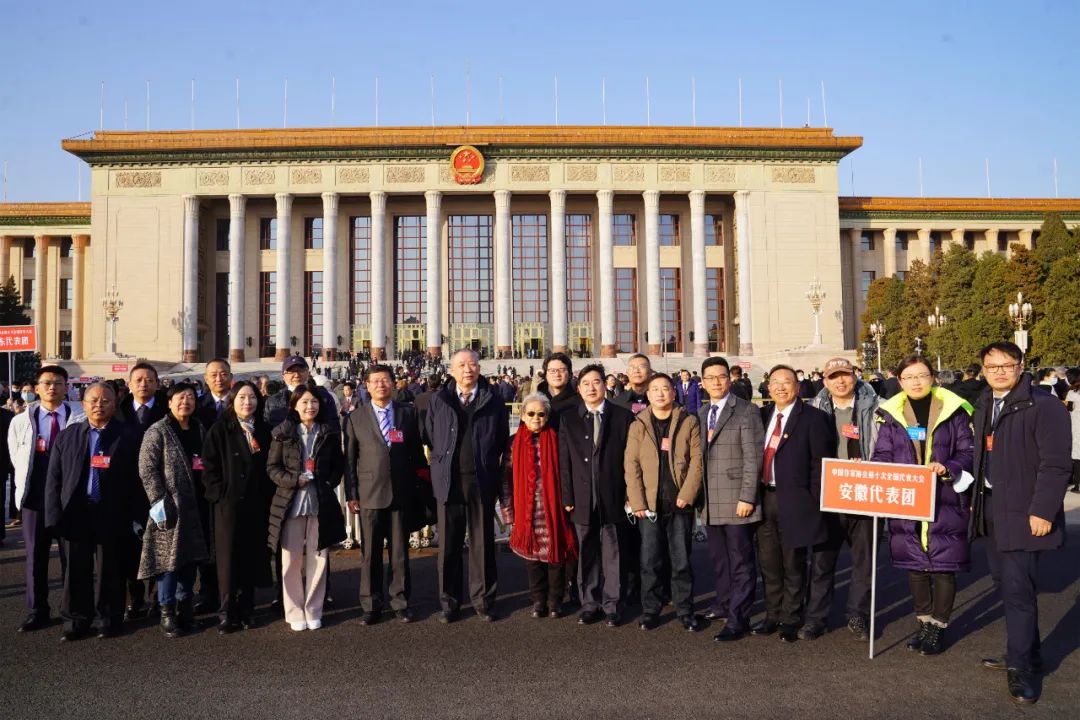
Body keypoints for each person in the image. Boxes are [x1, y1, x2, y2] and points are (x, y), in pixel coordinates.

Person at [969, 342, 1072, 705]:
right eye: (991, 366)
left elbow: (1057, 464)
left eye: (1006, 365)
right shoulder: (985, 402)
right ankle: (1026, 651)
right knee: (1008, 585)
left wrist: (1043, 510)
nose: (999, 371)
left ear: (1021, 365)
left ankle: (1023, 667)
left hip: (1025, 511)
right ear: (983, 369)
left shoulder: (1043, 405)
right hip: (992, 509)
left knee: (1017, 590)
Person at [870, 356, 974, 655]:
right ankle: (924, 622)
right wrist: (872, 470)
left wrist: (948, 467)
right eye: (909, 376)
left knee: (943, 567)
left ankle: (939, 626)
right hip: (907, 498)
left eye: (922, 375)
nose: (916, 381)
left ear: (933, 377)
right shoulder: (891, 413)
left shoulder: (953, 410)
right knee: (915, 566)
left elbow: (968, 451)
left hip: (945, 497)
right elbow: (883, 453)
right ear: (899, 381)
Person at [44, 383, 141, 640]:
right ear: (84, 404)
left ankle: (108, 619)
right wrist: (53, 514)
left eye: (106, 401)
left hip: (111, 512)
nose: (99, 405)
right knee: (76, 569)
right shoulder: (69, 435)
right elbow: (54, 478)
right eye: (94, 401)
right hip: (75, 512)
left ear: (115, 404)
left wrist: (135, 515)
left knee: (110, 568)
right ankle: (76, 620)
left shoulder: (128, 435)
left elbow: (136, 480)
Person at [423, 349, 509, 623]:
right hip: (449, 481)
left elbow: (501, 438)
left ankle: (483, 601)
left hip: (480, 479)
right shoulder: (439, 400)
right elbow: (430, 434)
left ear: (479, 368)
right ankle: (450, 602)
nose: (467, 369)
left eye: (472, 364)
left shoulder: (493, 400)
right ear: (451, 370)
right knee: (449, 545)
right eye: (461, 365)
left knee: (482, 543)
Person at [753, 365, 834, 643]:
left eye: (786, 382)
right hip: (765, 497)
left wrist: (812, 502)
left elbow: (819, 465)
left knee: (793, 562)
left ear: (797, 387)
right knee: (769, 561)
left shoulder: (813, 418)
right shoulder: (761, 416)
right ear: (768, 387)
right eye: (775, 382)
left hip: (796, 500)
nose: (780, 387)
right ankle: (772, 614)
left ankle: (791, 616)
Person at [804, 357, 881, 641]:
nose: (840, 381)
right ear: (825, 381)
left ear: (855, 376)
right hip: (828, 493)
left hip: (864, 492)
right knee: (822, 561)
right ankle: (816, 617)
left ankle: (857, 614)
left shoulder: (877, 406)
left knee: (864, 561)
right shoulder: (813, 408)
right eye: (833, 377)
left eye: (845, 375)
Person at [344, 365, 427, 625]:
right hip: (369, 494)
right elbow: (350, 460)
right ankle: (371, 604)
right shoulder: (355, 418)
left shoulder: (406, 413)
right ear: (366, 386)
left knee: (400, 552)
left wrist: (419, 486)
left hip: (401, 492)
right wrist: (352, 493)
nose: (381, 385)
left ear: (393, 384)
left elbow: (416, 454)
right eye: (375, 381)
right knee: (370, 553)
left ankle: (400, 602)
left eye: (386, 380)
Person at [624, 373, 703, 631]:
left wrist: (687, 493)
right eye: (654, 389)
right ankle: (650, 610)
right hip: (649, 505)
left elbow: (697, 462)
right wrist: (637, 502)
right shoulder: (639, 424)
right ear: (647, 395)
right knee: (650, 561)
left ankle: (685, 609)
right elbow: (631, 465)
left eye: (665, 389)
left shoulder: (688, 421)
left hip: (679, 502)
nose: (660, 393)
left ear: (673, 392)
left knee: (681, 560)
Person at [10, 365, 86, 632]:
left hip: (69, 499)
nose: (52, 387)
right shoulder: (20, 421)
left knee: (71, 556)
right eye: (46, 383)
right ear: (37, 388)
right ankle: (36, 609)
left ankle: (72, 611)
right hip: (34, 498)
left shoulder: (80, 416)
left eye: (57, 383)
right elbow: (15, 456)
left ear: (67, 387)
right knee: (34, 556)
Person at [266, 381, 346, 631]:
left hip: (319, 502)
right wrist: (294, 480)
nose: (310, 406)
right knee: (290, 561)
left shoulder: (328, 431)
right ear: (294, 406)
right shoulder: (283, 432)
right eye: (304, 402)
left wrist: (327, 481)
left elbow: (338, 465)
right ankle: (293, 610)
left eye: (313, 402)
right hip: (291, 503)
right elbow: (272, 468)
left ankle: (313, 608)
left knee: (318, 558)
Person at [560, 364, 633, 627]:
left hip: (613, 494)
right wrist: (567, 497)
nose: (592, 388)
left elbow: (629, 459)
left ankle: (612, 604)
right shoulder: (569, 418)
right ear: (579, 389)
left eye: (596, 382)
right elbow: (564, 462)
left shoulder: (622, 417)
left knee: (614, 552)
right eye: (586, 384)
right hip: (581, 497)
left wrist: (629, 494)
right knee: (587, 552)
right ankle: (589, 603)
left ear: (606, 385)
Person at [137, 382, 211, 638]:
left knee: (189, 559)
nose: (185, 402)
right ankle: (167, 611)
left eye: (190, 397)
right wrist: (159, 502)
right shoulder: (157, 431)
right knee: (169, 561)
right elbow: (147, 469)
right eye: (180, 398)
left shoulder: (199, 428)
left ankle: (185, 608)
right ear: (169, 402)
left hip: (196, 504)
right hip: (170, 508)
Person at [697, 357, 764, 642]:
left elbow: (754, 458)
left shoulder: (746, 411)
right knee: (719, 559)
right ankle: (724, 603)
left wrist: (748, 496)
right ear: (702, 382)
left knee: (741, 561)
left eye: (721, 377)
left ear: (730, 379)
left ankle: (739, 618)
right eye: (710, 377)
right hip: (710, 501)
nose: (715, 382)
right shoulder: (700, 413)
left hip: (737, 499)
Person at [201, 381, 274, 633]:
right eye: (242, 397)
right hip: (228, 505)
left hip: (256, 503)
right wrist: (219, 493)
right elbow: (209, 467)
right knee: (228, 559)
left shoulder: (264, 430)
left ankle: (247, 609)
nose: (247, 402)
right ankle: (226, 611)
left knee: (251, 556)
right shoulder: (220, 429)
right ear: (232, 401)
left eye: (252, 397)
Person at [502, 393, 578, 619]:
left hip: (553, 509)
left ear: (547, 416)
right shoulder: (514, 442)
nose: (536, 418)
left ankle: (556, 601)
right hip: (527, 509)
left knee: (556, 558)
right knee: (533, 560)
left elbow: (567, 473)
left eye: (541, 414)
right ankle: (538, 600)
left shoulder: (556, 438)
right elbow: (506, 477)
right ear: (522, 415)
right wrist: (508, 511)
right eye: (531, 413)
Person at [113, 362, 167, 620]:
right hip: (127, 492)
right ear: (129, 384)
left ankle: (158, 598)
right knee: (130, 549)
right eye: (139, 380)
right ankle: (135, 598)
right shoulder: (118, 413)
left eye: (149, 380)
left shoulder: (168, 410)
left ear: (157, 383)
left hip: (160, 489)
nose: (144, 384)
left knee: (161, 545)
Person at [536, 352, 578, 428]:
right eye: (552, 370)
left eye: (562, 370)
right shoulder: (535, 400)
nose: (557, 374)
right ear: (545, 374)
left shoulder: (578, 402)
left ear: (569, 374)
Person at [1066, 369, 1080, 494]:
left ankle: (1077, 485)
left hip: (1076, 424)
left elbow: (1069, 408)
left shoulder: (1072, 393)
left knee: (1076, 456)